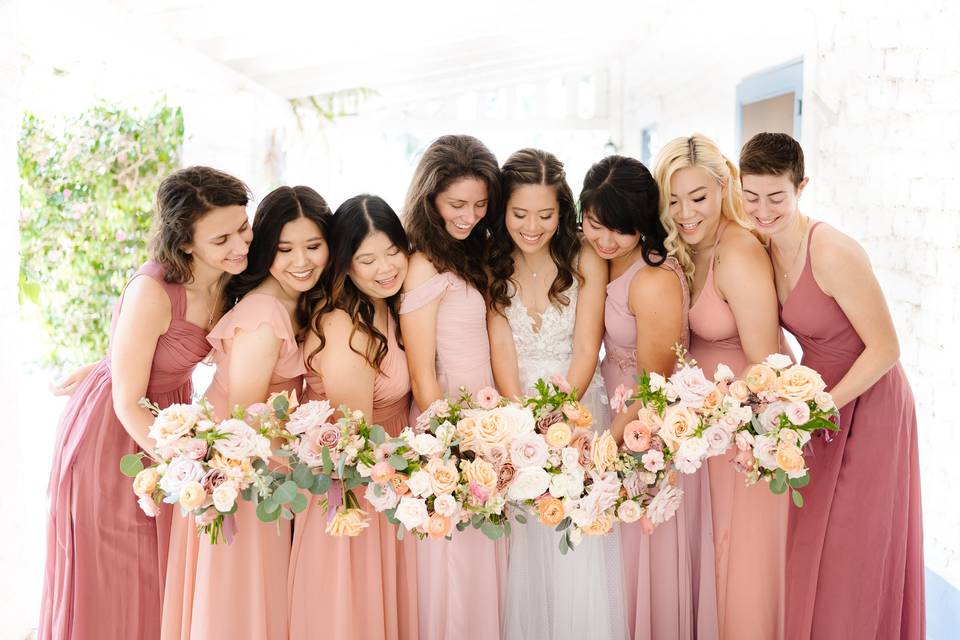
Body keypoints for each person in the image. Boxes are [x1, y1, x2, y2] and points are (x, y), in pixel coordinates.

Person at [39, 166, 252, 640]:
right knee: (117, 569)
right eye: (222, 239)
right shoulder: (153, 290)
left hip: (171, 423)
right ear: (185, 243)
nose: (240, 244)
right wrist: (187, 466)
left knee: (161, 571)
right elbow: (127, 401)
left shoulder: (236, 276)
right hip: (114, 432)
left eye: (243, 227)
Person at [739, 132, 924, 640]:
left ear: (801, 187)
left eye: (776, 196)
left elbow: (887, 349)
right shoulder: (759, 245)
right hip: (816, 405)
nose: (763, 209)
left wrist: (820, 405)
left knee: (854, 544)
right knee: (811, 536)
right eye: (751, 196)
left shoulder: (833, 251)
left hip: (870, 401)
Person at [161, 186, 331, 640]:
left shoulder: (296, 304)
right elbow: (247, 419)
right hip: (242, 475)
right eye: (285, 249)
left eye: (314, 246)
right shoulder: (264, 314)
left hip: (263, 473)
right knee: (239, 608)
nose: (302, 261)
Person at [488, 148, 627, 640]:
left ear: (562, 211)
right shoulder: (492, 261)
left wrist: (561, 418)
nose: (532, 226)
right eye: (520, 214)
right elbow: (501, 344)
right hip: (511, 415)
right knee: (522, 542)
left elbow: (589, 345)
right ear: (502, 209)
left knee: (575, 542)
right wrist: (521, 420)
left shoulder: (583, 256)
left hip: (576, 407)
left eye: (545, 215)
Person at [654, 133, 787, 639]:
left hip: (740, 434)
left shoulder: (738, 253)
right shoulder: (686, 247)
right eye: (673, 200)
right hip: (699, 434)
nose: (685, 212)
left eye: (698, 197)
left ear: (723, 186)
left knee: (738, 572)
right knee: (705, 567)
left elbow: (767, 361)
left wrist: (710, 413)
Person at [584, 154, 719, 640]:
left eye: (618, 229)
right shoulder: (612, 261)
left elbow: (656, 384)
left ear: (642, 223)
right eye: (595, 224)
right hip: (615, 417)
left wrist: (609, 447)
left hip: (645, 431)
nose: (604, 239)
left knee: (644, 564)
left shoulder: (654, 279)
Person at [288, 195, 418, 640]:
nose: (385, 268)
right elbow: (353, 438)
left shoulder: (387, 303)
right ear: (346, 264)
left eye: (392, 252)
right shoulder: (342, 326)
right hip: (357, 489)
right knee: (353, 616)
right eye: (367, 259)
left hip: (393, 476)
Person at [398, 134, 506, 640]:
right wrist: (452, 449)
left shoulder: (469, 249)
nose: (470, 215)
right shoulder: (423, 263)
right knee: (455, 566)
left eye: (481, 204)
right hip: (448, 428)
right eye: (457, 204)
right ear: (430, 198)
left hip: (486, 419)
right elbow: (422, 371)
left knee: (485, 561)